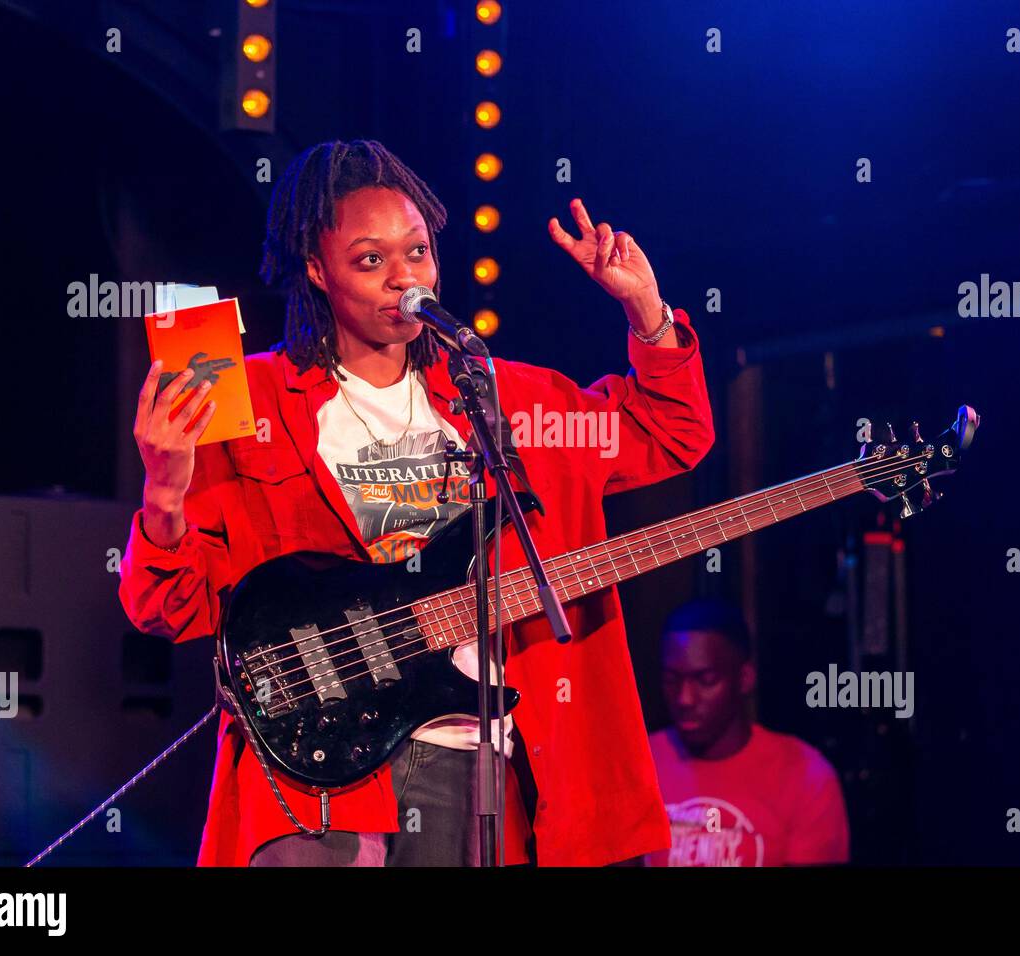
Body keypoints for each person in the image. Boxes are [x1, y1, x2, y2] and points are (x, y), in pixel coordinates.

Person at [118, 139, 714, 866]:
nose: (403, 277)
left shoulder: (499, 398)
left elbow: (669, 433)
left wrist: (646, 310)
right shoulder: (244, 394)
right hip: (318, 773)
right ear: (317, 268)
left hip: (472, 760)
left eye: (419, 253)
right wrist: (164, 491)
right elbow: (166, 607)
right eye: (370, 260)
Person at [646, 598, 849, 866]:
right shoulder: (640, 764)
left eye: (705, 680)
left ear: (744, 678)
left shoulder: (804, 774)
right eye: (672, 680)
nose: (684, 698)